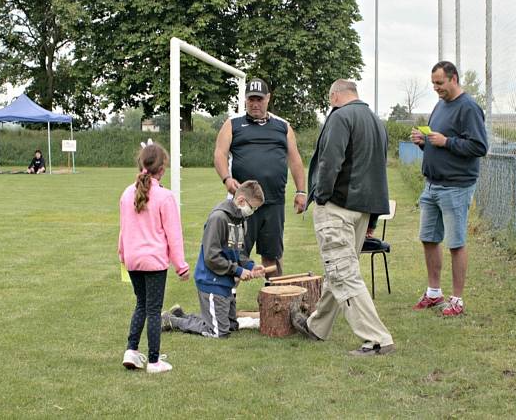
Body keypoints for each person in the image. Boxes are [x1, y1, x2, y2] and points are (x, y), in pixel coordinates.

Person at [291, 79, 395, 357]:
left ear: (335, 96)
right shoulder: (375, 121)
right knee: (337, 272)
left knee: (342, 273)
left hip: (339, 205)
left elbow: (329, 161)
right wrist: (372, 219)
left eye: (329, 100)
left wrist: (321, 196)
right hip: (364, 209)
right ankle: (317, 326)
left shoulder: (340, 116)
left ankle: (377, 339)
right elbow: (377, 171)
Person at [410, 61, 488, 317]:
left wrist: (446, 142)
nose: (436, 88)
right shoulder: (440, 105)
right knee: (429, 238)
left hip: (456, 186)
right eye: (433, 83)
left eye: (440, 83)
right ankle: (434, 293)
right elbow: (439, 142)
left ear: (453, 78)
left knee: (456, 243)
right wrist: (425, 142)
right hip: (431, 184)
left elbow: (479, 147)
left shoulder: (469, 107)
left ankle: (457, 300)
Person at [213, 78, 306, 278]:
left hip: (274, 203)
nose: (255, 104)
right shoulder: (233, 124)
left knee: (272, 255)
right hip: (242, 205)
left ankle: (275, 303)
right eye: (251, 99)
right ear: (245, 100)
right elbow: (219, 154)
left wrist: (301, 191)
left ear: (268, 99)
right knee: (236, 255)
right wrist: (227, 179)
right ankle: (229, 304)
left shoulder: (283, 126)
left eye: (259, 99)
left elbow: (295, 160)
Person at [119, 142, 190, 374]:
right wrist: (180, 265)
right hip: (154, 262)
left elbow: (124, 229)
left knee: (141, 304)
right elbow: (174, 235)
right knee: (153, 309)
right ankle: (153, 360)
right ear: (162, 168)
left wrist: (122, 254)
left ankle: (131, 350)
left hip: (132, 260)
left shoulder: (127, 193)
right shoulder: (164, 197)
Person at [161, 181, 265, 338]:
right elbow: (211, 256)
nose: (253, 211)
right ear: (241, 200)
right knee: (218, 332)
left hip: (226, 283)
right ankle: (171, 321)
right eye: (253, 207)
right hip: (211, 282)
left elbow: (239, 253)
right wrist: (237, 270)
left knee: (231, 326)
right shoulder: (219, 218)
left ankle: (180, 315)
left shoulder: (241, 220)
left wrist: (250, 266)